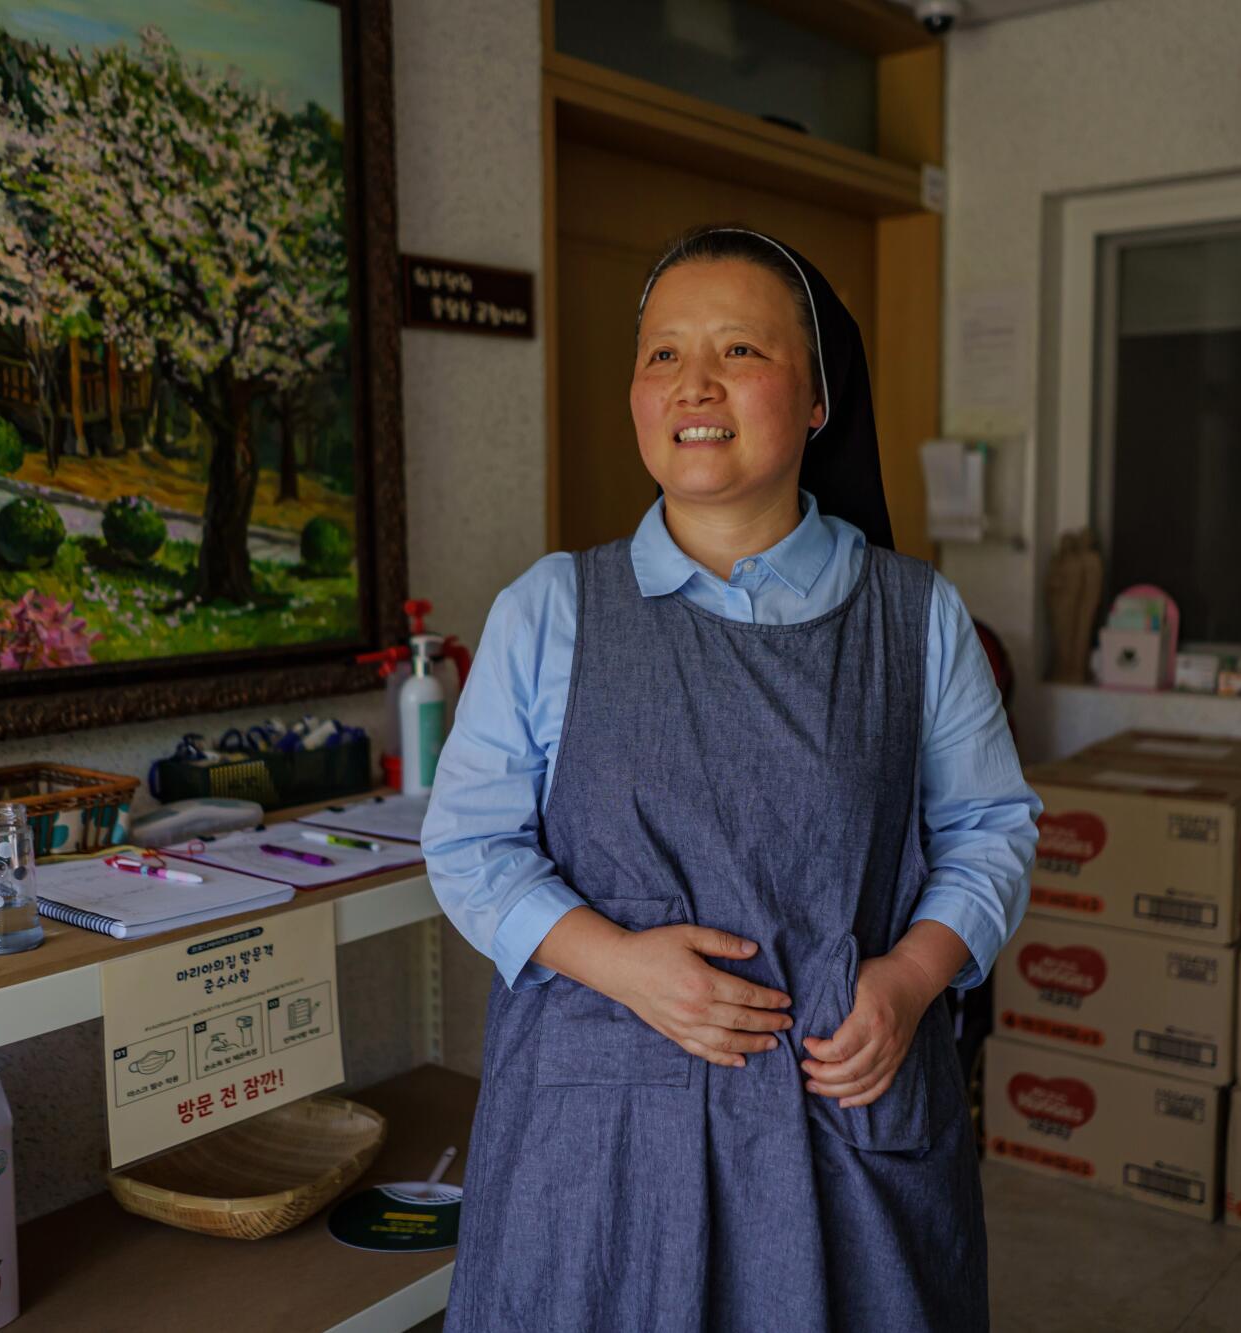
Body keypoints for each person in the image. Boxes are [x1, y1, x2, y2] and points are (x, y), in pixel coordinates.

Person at [421, 224, 1041, 1330]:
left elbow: (990, 830)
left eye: (739, 352)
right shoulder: (550, 610)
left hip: (840, 1122)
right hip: (601, 1136)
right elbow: (468, 845)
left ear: (815, 399)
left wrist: (908, 980)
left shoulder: (914, 618)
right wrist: (618, 963)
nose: (692, 384)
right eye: (661, 354)